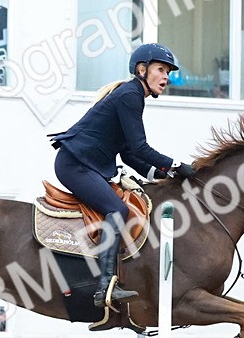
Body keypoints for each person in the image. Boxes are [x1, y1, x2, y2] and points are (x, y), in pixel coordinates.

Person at [48, 43, 196, 309]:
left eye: (168, 72)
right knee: (116, 210)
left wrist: (162, 176)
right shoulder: (131, 95)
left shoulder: (131, 94)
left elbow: (128, 154)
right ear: (142, 70)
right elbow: (140, 148)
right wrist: (175, 165)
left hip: (82, 164)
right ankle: (104, 286)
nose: (166, 77)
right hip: (75, 165)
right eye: (161, 70)